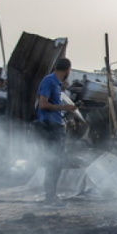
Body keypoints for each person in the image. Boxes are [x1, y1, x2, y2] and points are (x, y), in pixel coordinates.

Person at [36, 57, 79, 205]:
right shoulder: (49, 81)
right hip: (50, 125)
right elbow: (43, 104)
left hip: (57, 124)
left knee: (57, 161)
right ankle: (50, 196)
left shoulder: (57, 83)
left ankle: (52, 194)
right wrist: (64, 107)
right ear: (68, 70)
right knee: (53, 161)